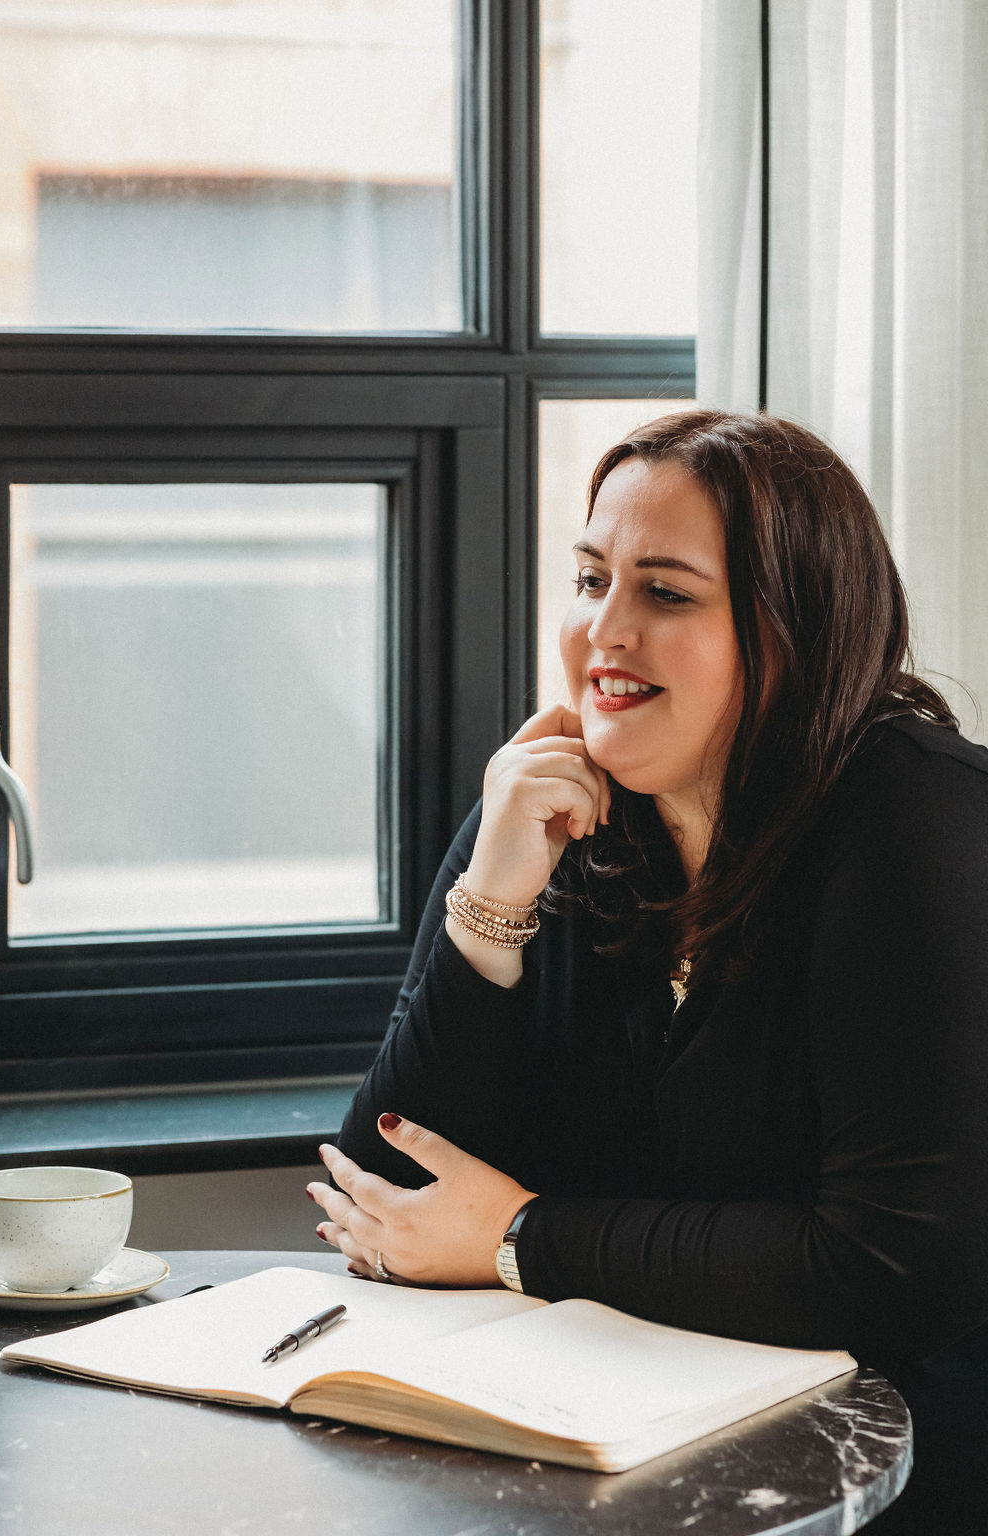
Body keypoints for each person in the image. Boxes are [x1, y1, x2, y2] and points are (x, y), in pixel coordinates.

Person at [308, 409, 988, 1532]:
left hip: (896, 1477)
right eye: (588, 580)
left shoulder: (921, 828)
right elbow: (387, 1205)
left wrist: (525, 1239)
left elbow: (896, 1265)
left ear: (792, 631)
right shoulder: (546, 812)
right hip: (605, 1451)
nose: (601, 633)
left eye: (665, 594)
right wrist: (490, 908)